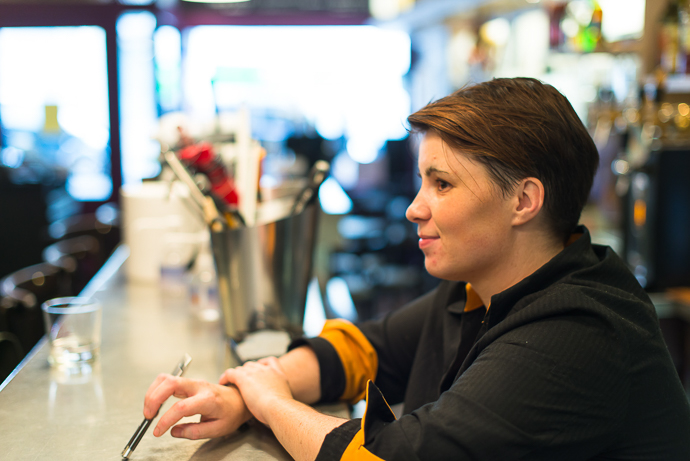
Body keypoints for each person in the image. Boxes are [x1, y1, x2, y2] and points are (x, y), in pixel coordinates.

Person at [143, 77, 690, 460]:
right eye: (422, 180)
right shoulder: (482, 286)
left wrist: (270, 402)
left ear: (524, 201)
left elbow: (389, 459)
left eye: (443, 183)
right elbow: (365, 349)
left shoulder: (577, 332)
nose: (414, 207)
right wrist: (244, 392)